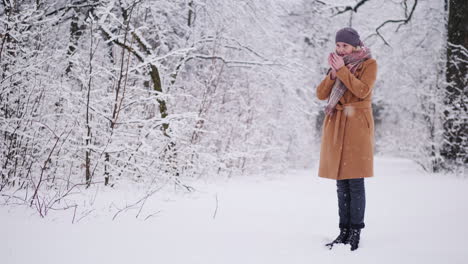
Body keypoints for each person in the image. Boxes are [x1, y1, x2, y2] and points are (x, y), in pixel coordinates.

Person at [315, 27, 377, 251]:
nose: (340, 49)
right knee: (341, 182)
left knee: (355, 182)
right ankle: (343, 231)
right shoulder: (337, 65)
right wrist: (333, 73)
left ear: (355, 46)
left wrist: (341, 71)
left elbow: (362, 90)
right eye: (338, 45)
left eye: (345, 46)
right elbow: (321, 94)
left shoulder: (369, 64)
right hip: (337, 124)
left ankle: (355, 232)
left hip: (357, 125)